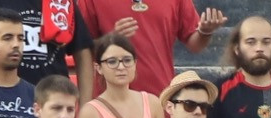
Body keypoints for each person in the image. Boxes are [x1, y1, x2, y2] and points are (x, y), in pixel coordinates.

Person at [76, 0, 220, 95]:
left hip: (159, 98)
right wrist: (111, 39)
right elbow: (82, 48)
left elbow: (195, 45)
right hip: (109, 104)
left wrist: (205, 32)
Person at [0, 0, 92, 96]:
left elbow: (83, 53)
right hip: (3, 103)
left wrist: (84, 110)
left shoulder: (62, 2)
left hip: (56, 103)